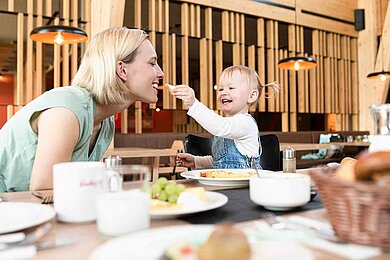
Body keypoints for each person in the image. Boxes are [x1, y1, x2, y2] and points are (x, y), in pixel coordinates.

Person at [0, 27, 163, 192]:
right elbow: (44, 191)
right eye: (152, 63)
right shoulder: (67, 110)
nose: (160, 73)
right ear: (122, 70)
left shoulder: (106, 123)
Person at [173, 65, 277, 169]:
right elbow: (220, 161)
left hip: (247, 183)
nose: (224, 92)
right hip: (225, 183)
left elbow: (220, 126)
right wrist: (196, 161)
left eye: (231, 88)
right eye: (220, 89)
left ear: (251, 96)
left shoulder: (245, 123)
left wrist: (193, 104)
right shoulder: (226, 126)